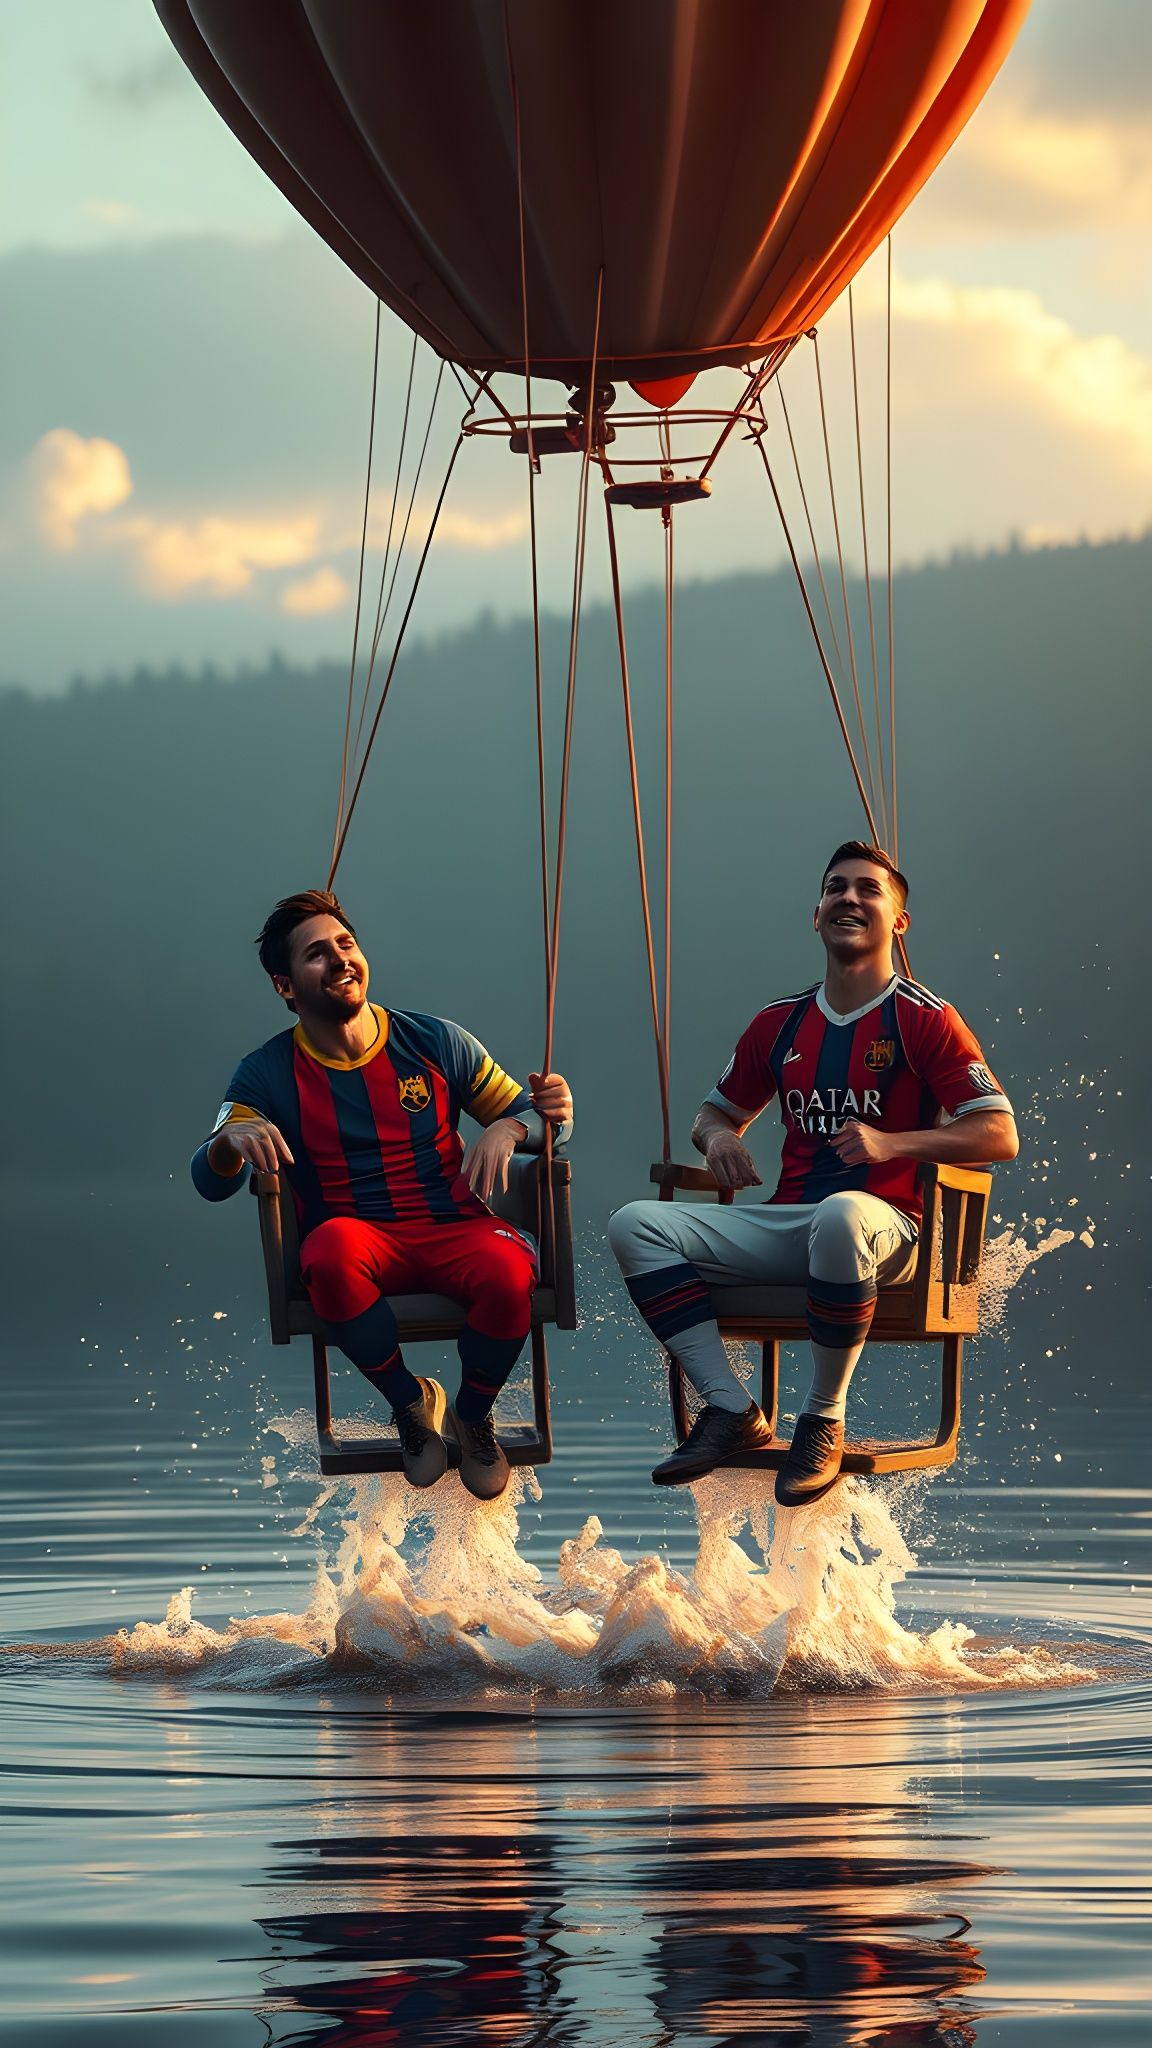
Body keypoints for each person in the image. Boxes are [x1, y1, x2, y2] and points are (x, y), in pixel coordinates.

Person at [608, 842, 1017, 1506]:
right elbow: (712, 1114)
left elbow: (999, 1132)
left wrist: (893, 1142)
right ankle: (731, 1410)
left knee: (841, 1214)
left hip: (890, 1230)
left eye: (868, 890)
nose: (849, 898)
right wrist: (716, 1140)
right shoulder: (781, 1022)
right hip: (790, 1220)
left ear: (900, 922)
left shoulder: (924, 1018)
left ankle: (822, 1418)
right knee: (635, 1224)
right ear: (817, 913)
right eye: (837, 888)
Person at [191, 890, 573, 1500]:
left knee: (509, 1268)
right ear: (284, 986)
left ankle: (472, 1415)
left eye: (346, 944)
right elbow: (210, 1182)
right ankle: (411, 1403)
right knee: (330, 1254)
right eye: (317, 954)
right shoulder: (263, 1072)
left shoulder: (436, 1040)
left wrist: (514, 1124)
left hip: (453, 1224)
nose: (341, 960)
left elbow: (545, 1116)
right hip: (359, 1238)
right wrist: (228, 1140)